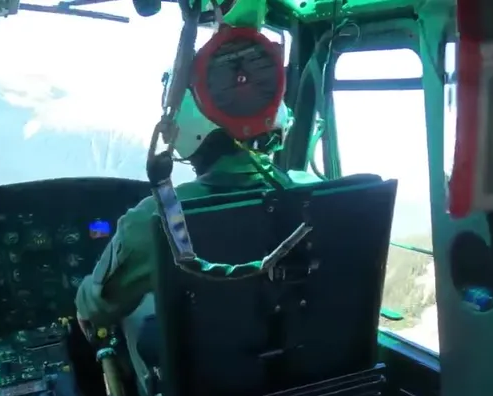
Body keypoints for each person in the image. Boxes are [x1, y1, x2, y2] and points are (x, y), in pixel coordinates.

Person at [74, 91, 319, 330]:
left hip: (213, 357)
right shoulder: (320, 194)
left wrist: (86, 296)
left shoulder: (156, 216)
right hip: (308, 348)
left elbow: (96, 310)